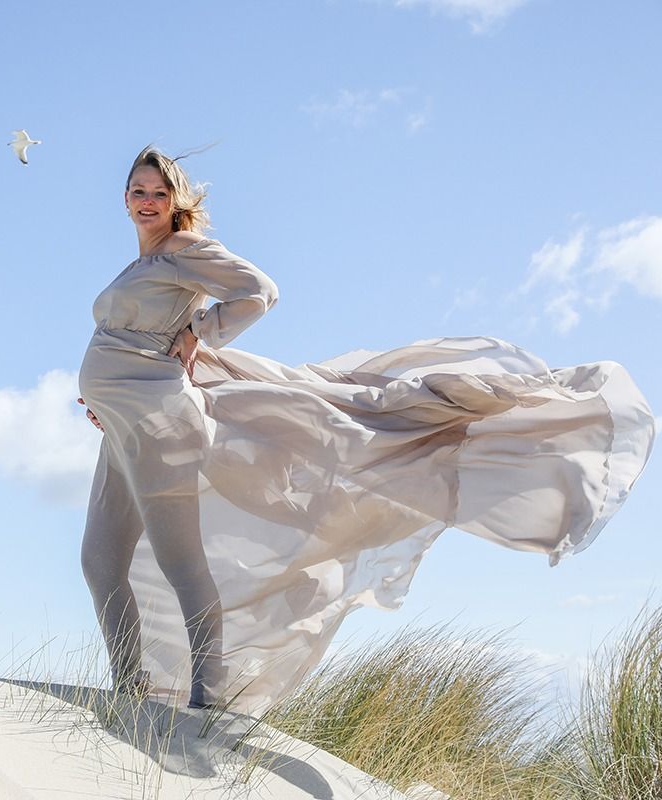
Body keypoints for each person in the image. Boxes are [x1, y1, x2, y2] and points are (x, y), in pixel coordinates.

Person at [76, 144, 656, 713]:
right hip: (121, 421)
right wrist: (103, 394)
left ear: (176, 202)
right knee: (100, 561)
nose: (147, 201)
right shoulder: (141, 262)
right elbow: (126, 339)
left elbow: (261, 291)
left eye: (159, 192)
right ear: (125, 199)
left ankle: (207, 702)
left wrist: (202, 332)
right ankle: (130, 691)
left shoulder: (184, 249)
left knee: (182, 565)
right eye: (138, 191)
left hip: (159, 422)